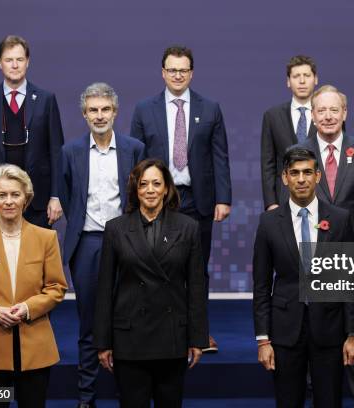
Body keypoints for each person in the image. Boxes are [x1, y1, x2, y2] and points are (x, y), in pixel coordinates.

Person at [130, 45, 231, 352]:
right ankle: (160, 330)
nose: (177, 75)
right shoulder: (144, 109)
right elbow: (137, 159)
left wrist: (223, 199)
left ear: (191, 73)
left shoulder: (210, 108)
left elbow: (220, 157)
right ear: (163, 73)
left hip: (198, 201)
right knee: (156, 268)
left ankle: (200, 334)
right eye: (172, 70)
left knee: (197, 270)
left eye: (183, 70)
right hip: (156, 201)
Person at [94, 158, 208, 408]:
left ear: (167, 188)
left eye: (157, 183)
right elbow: (104, 289)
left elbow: (196, 288)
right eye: (143, 184)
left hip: (172, 338)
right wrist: (103, 342)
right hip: (129, 339)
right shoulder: (115, 229)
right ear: (136, 189)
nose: (150, 190)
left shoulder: (188, 227)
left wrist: (198, 338)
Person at [253, 146, 354, 407]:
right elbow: (261, 285)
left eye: (307, 172)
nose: (301, 179)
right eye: (294, 173)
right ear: (284, 177)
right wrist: (263, 339)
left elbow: (351, 282)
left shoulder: (340, 218)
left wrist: (353, 334)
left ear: (318, 176)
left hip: (330, 328)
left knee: (329, 402)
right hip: (285, 330)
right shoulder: (268, 223)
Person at [61, 82, 145, 408]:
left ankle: (129, 392)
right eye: (93, 110)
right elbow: (68, 197)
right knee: (89, 321)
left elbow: (140, 195)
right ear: (84, 114)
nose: (100, 115)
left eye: (105, 109)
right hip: (87, 244)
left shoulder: (134, 148)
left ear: (115, 112)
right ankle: (87, 396)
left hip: (127, 240)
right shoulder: (70, 152)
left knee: (128, 318)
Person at [300, 84, 354, 408]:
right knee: (315, 329)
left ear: (345, 113)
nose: (328, 116)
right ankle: (317, 394)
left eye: (334, 110)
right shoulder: (299, 152)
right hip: (314, 257)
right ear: (313, 114)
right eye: (322, 110)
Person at [0, 164, 68, 408]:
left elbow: (56, 287)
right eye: (2, 195)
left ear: (26, 198)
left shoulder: (46, 238)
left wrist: (28, 308)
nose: (9, 201)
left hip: (35, 346)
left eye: (15, 195)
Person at [0, 35, 64, 229]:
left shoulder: (46, 100)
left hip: (38, 202)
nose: (14, 65)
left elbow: (57, 152)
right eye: (9, 60)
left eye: (20, 59)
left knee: (35, 259)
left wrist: (56, 196)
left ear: (27, 62)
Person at [261, 55, 318, 210]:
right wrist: (271, 202)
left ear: (315, 79)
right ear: (288, 81)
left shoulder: (327, 115)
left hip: (320, 196)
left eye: (307, 75)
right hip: (283, 198)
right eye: (296, 76)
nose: (302, 81)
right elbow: (268, 164)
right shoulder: (272, 116)